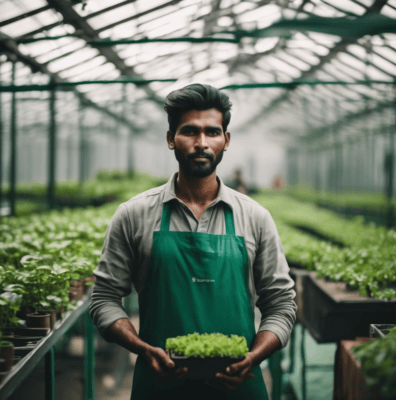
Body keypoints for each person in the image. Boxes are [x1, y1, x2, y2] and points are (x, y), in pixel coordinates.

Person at [90, 83, 297, 399]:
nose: (202, 143)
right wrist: (143, 349)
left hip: (239, 387)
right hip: (159, 387)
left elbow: (281, 304)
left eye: (212, 132)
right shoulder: (133, 214)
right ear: (171, 138)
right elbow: (104, 298)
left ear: (225, 141)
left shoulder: (255, 217)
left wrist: (253, 359)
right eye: (190, 131)